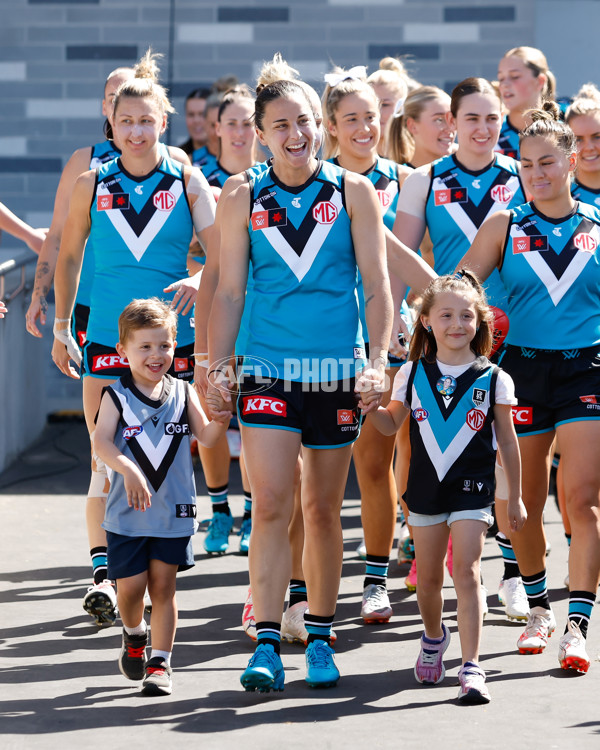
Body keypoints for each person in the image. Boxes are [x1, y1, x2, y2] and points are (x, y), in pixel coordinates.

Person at [205, 78, 393, 692]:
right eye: (281, 124)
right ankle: (264, 645)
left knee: (320, 511)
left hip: (335, 374)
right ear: (260, 133)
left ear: (324, 124)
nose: (296, 134)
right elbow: (230, 289)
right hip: (267, 372)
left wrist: (377, 362)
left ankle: (317, 635)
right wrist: (217, 365)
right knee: (272, 504)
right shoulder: (241, 193)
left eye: (306, 120)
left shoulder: (354, 190)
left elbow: (377, 286)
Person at [51, 61, 216, 628]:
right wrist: (60, 325)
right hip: (104, 339)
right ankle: (105, 572)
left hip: (172, 341)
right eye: (127, 121)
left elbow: (222, 249)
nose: (137, 131)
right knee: (106, 455)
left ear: (164, 121)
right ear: (111, 123)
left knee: (170, 455)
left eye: (147, 120)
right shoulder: (91, 182)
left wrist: (200, 277)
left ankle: (162, 567)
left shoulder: (187, 177)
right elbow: (70, 255)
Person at [461, 105, 600, 674]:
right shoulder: (505, 223)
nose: (537, 173)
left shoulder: (597, 224)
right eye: (526, 163)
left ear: (572, 160)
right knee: (520, 503)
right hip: (520, 373)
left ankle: (578, 623)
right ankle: (539, 606)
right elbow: (464, 284)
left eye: (548, 162)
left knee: (583, 497)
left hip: (588, 369)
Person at [394, 78, 527, 615]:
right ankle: (429, 540)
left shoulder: (522, 177)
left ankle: (514, 569)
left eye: (492, 118)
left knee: (503, 449)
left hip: (510, 334)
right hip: (446, 333)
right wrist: (402, 322)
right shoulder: (424, 179)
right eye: (471, 117)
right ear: (451, 122)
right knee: (433, 443)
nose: (483, 128)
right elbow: (400, 254)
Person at [368, 271, 525, 704]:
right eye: (446, 315)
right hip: (424, 488)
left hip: (473, 489)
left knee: (468, 570)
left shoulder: (495, 377)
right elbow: (388, 425)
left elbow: (508, 443)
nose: (458, 324)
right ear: (425, 321)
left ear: (480, 322)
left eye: (467, 316)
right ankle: (434, 637)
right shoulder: (411, 373)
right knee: (429, 579)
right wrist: (367, 407)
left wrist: (516, 497)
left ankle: (472, 665)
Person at [94, 298, 230, 696]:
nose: (157, 355)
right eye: (145, 346)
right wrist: (130, 469)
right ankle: (135, 635)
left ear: (175, 346)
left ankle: (160, 664)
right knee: (131, 591)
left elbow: (206, 437)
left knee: (164, 589)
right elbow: (101, 442)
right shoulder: (115, 397)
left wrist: (222, 416)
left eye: (165, 345)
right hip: (127, 515)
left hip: (173, 512)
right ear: (123, 351)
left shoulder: (184, 392)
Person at [322, 65, 412, 623]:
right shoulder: (312, 180)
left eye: (371, 117)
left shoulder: (408, 181)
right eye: (351, 119)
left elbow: (418, 257)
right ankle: (299, 585)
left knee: (388, 464)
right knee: (339, 473)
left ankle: (379, 574)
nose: (363, 128)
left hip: (393, 343)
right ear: (331, 126)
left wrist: (416, 315)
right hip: (329, 343)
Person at [496, 46, 556, 160]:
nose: (504, 84)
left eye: (515, 77)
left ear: (540, 81)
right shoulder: (492, 133)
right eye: (501, 78)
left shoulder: (564, 131)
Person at [205, 86, 260, 189]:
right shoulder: (199, 180)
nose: (239, 133)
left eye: (247, 124)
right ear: (218, 128)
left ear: (258, 130)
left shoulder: (271, 177)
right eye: (231, 123)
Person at [366, 57, 409, 157]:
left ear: (402, 107)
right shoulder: (350, 158)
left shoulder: (419, 153)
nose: (376, 112)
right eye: (371, 105)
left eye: (385, 105)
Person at [178, 87, 211, 158]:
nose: (196, 120)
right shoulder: (176, 157)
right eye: (191, 114)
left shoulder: (226, 157)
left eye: (202, 114)